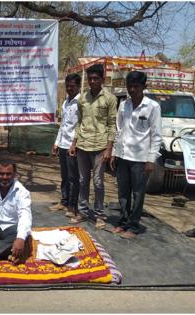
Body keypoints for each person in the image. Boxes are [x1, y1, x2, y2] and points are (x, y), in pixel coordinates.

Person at [110, 71, 162, 238]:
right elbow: (119, 131)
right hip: (123, 156)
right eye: (129, 86)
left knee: (138, 193)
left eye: (136, 86)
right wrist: (114, 153)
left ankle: (134, 225)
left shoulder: (153, 107)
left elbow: (156, 135)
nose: (132, 89)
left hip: (140, 159)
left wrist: (151, 160)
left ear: (144, 87)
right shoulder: (124, 105)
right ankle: (124, 221)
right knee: (123, 193)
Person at [69, 64, 117, 229]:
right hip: (83, 145)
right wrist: (74, 143)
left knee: (98, 182)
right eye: (90, 78)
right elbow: (79, 122)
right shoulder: (82, 98)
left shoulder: (110, 99)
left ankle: (99, 215)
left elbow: (112, 125)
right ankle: (82, 212)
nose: (93, 81)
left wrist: (109, 148)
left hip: (100, 147)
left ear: (102, 79)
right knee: (83, 181)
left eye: (96, 78)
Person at [50, 73, 84, 223]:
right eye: (67, 86)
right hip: (63, 144)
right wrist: (56, 143)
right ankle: (64, 202)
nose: (69, 88)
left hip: (73, 146)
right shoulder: (65, 103)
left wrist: (74, 144)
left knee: (73, 178)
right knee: (64, 176)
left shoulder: (81, 102)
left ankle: (72, 206)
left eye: (72, 86)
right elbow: (63, 125)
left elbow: (80, 125)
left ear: (78, 86)